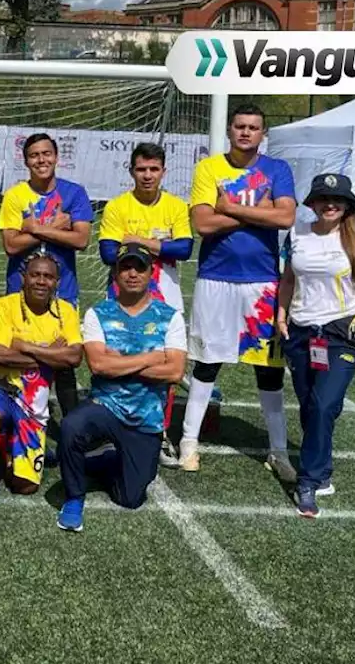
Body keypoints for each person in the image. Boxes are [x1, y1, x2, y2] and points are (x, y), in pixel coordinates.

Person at [179, 104, 297, 476]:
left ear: (263, 133)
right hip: (215, 279)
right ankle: (189, 443)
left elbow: (286, 216)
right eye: (240, 126)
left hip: (262, 283)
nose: (246, 132)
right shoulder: (209, 168)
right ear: (230, 130)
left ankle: (278, 451)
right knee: (207, 363)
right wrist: (256, 210)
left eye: (254, 127)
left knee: (269, 370)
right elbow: (202, 224)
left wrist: (228, 208)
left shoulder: (277, 169)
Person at [56, 244, 187, 532]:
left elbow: (175, 371)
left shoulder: (170, 317)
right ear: (115, 273)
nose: (131, 273)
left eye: (139, 267)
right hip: (105, 405)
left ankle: (103, 460)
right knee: (72, 426)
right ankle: (75, 497)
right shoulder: (98, 313)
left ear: (150, 272)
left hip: (146, 417)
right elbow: (99, 367)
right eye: (125, 267)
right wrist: (153, 357)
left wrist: (122, 362)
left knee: (130, 499)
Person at [277, 173, 355, 518]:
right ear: (312, 203)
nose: (330, 205)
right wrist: (281, 317)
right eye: (323, 198)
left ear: (348, 205)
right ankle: (322, 471)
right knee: (311, 405)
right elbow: (288, 279)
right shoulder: (297, 234)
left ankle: (307, 482)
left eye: (336, 200)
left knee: (325, 404)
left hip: (343, 333)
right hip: (301, 331)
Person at [0, 253, 82, 528]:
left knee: (25, 486)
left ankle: (7, 444)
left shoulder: (66, 310)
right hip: (2, 389)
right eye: (35, 275)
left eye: (48, 276)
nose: (41, 281)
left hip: (35, 403)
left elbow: (74, 358)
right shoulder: (5, 305)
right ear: (24, 278)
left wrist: (25, 346)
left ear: (57, 282)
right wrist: (50, 353)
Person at [97, 142, 193, 467]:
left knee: (165, 365)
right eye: (141, 169)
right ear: (131, 171)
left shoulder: (176, 206)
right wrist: (162, 245)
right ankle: (114, 427)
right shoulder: (117, 206)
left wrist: (136, 240)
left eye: (154, 169)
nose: (148, 175)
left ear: (163, 171)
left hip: (166, 295)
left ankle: (160, 432)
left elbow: (185, 249)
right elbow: (108, 253)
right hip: (123, 294)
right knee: (119, 359)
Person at [0, 133, 92, 416]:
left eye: (46, 153)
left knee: (63, 360)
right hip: (21, 289)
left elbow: (81, 240)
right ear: (26, 161)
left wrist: (35, 228)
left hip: (62, 291)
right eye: (34, 155)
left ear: (56, 157)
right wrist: (56, 226)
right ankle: (14, 416)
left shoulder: (74, 193)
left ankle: (71, 428)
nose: (42, 160)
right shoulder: (15, 195)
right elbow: (11, 244)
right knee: (18, 356)